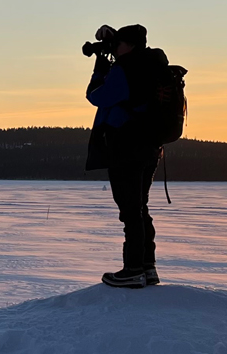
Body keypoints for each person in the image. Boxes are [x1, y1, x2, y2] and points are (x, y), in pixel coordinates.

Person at [83, 25, 170, 288]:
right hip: (149, 147)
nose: (115, 49)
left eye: (118, 44)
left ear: (130, 45)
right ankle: (147, 266)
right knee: (140, 207)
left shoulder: (127, 69)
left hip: (126, 147)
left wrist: (100, 68)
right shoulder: (152, 66)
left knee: (130, 210)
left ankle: (133, 269)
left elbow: (96, 96)